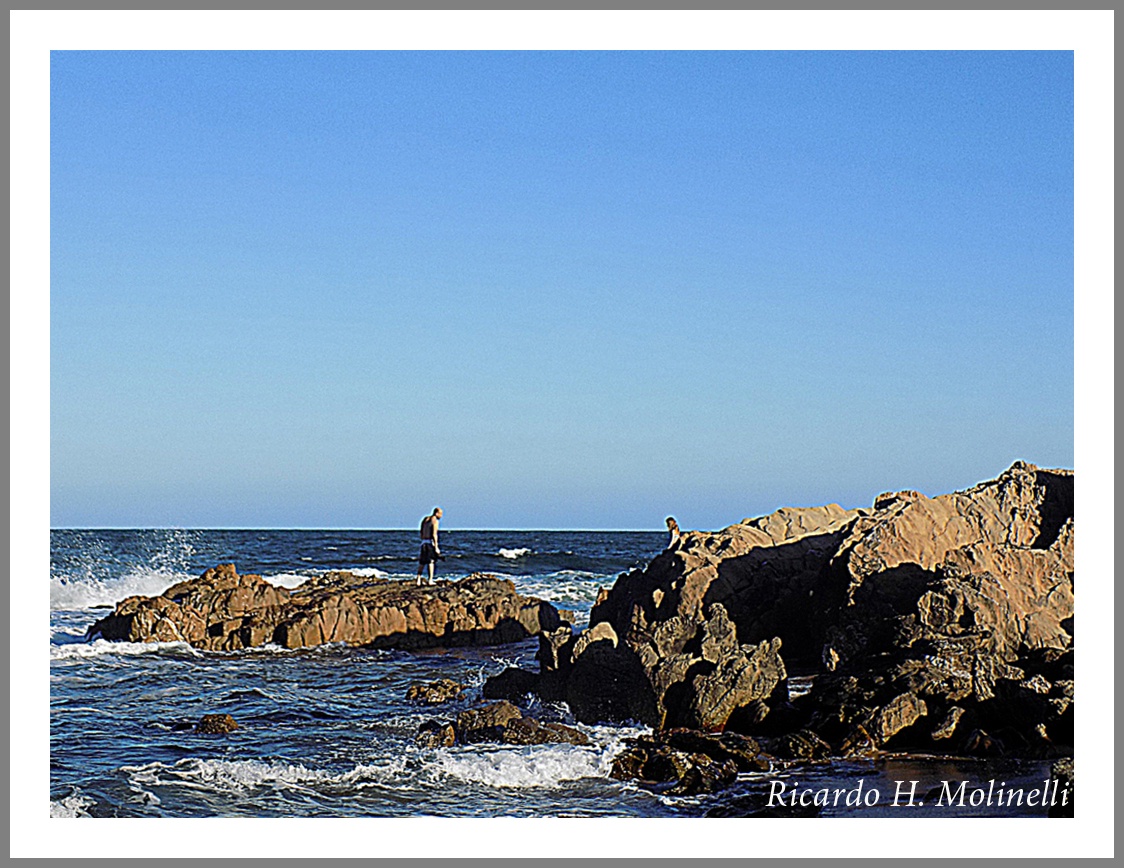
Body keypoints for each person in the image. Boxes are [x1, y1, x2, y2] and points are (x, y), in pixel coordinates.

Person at [416, 507, 443, 586]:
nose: (441, 516)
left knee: (422, 562)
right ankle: (430, 579)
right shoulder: (435, 521)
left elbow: (421, 531)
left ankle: (418, 579)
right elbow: (434, 534)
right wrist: (436, 546)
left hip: (423, 542)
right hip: (430, 542)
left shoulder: (425, 519)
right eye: (440, 514)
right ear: (436, 513)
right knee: (431, 561)